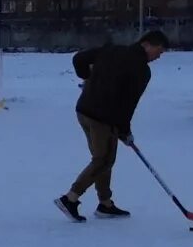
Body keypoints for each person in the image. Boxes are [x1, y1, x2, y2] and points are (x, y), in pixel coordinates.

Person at [56, 29, 169, 222]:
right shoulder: (142, 70)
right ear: (147, 44)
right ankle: (70, 199)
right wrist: (125, 131)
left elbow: (79, 59)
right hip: (102, 118)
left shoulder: (111, 50)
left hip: (83, 110)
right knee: (103, 160)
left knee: (104, 157)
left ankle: (105, 203)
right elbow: (128, 104)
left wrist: (88, 79)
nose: (158, 57)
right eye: (158, 51)